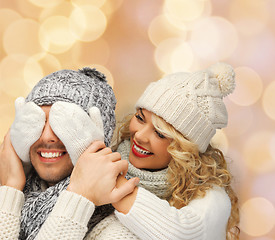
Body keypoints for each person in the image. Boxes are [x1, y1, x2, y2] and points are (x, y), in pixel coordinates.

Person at [66, 62, 240, 239]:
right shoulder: (113, 153)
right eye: (140, 118)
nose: (140, 136)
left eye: (160, 133)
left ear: (185, 149)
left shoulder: (212, 197)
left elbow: (182, 233)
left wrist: (109, 178)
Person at [0, 67, 137, 239]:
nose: (47, 137)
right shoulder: (9, 191)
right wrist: (10, 187)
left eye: (65, 124)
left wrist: (79, 196)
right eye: (35, 121)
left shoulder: (117, 230)